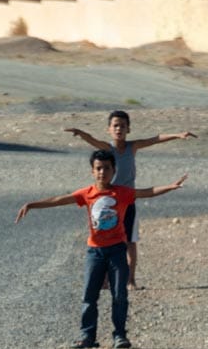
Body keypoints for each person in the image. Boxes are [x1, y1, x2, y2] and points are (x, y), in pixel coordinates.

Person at [15, 150, 188, 349]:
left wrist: (171, 186)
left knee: (119, 294)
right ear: (92, 171)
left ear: (114, 170)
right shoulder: (86, 194)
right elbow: (59, 200)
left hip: (117, 251)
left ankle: (120, 336)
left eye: (107, 168)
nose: (102, 172)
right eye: (98, 168)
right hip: (94, 252)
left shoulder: (122, 193)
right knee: (89, 296)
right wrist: (32, 205)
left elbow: (147, 191)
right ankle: (87, 336)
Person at [64, 110, 196, 288]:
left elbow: (155, 139)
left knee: (130, 242)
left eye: (122, 126)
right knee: (103, 240)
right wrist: (80, 133)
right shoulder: (106, 149)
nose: (119, 129)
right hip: (106, 203)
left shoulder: (132, 147)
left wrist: (178, 135)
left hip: (127, 202)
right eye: (115, 126)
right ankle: (103, 280)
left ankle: (130, 280)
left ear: (128, 129)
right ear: (109, 129)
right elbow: (92, 140)